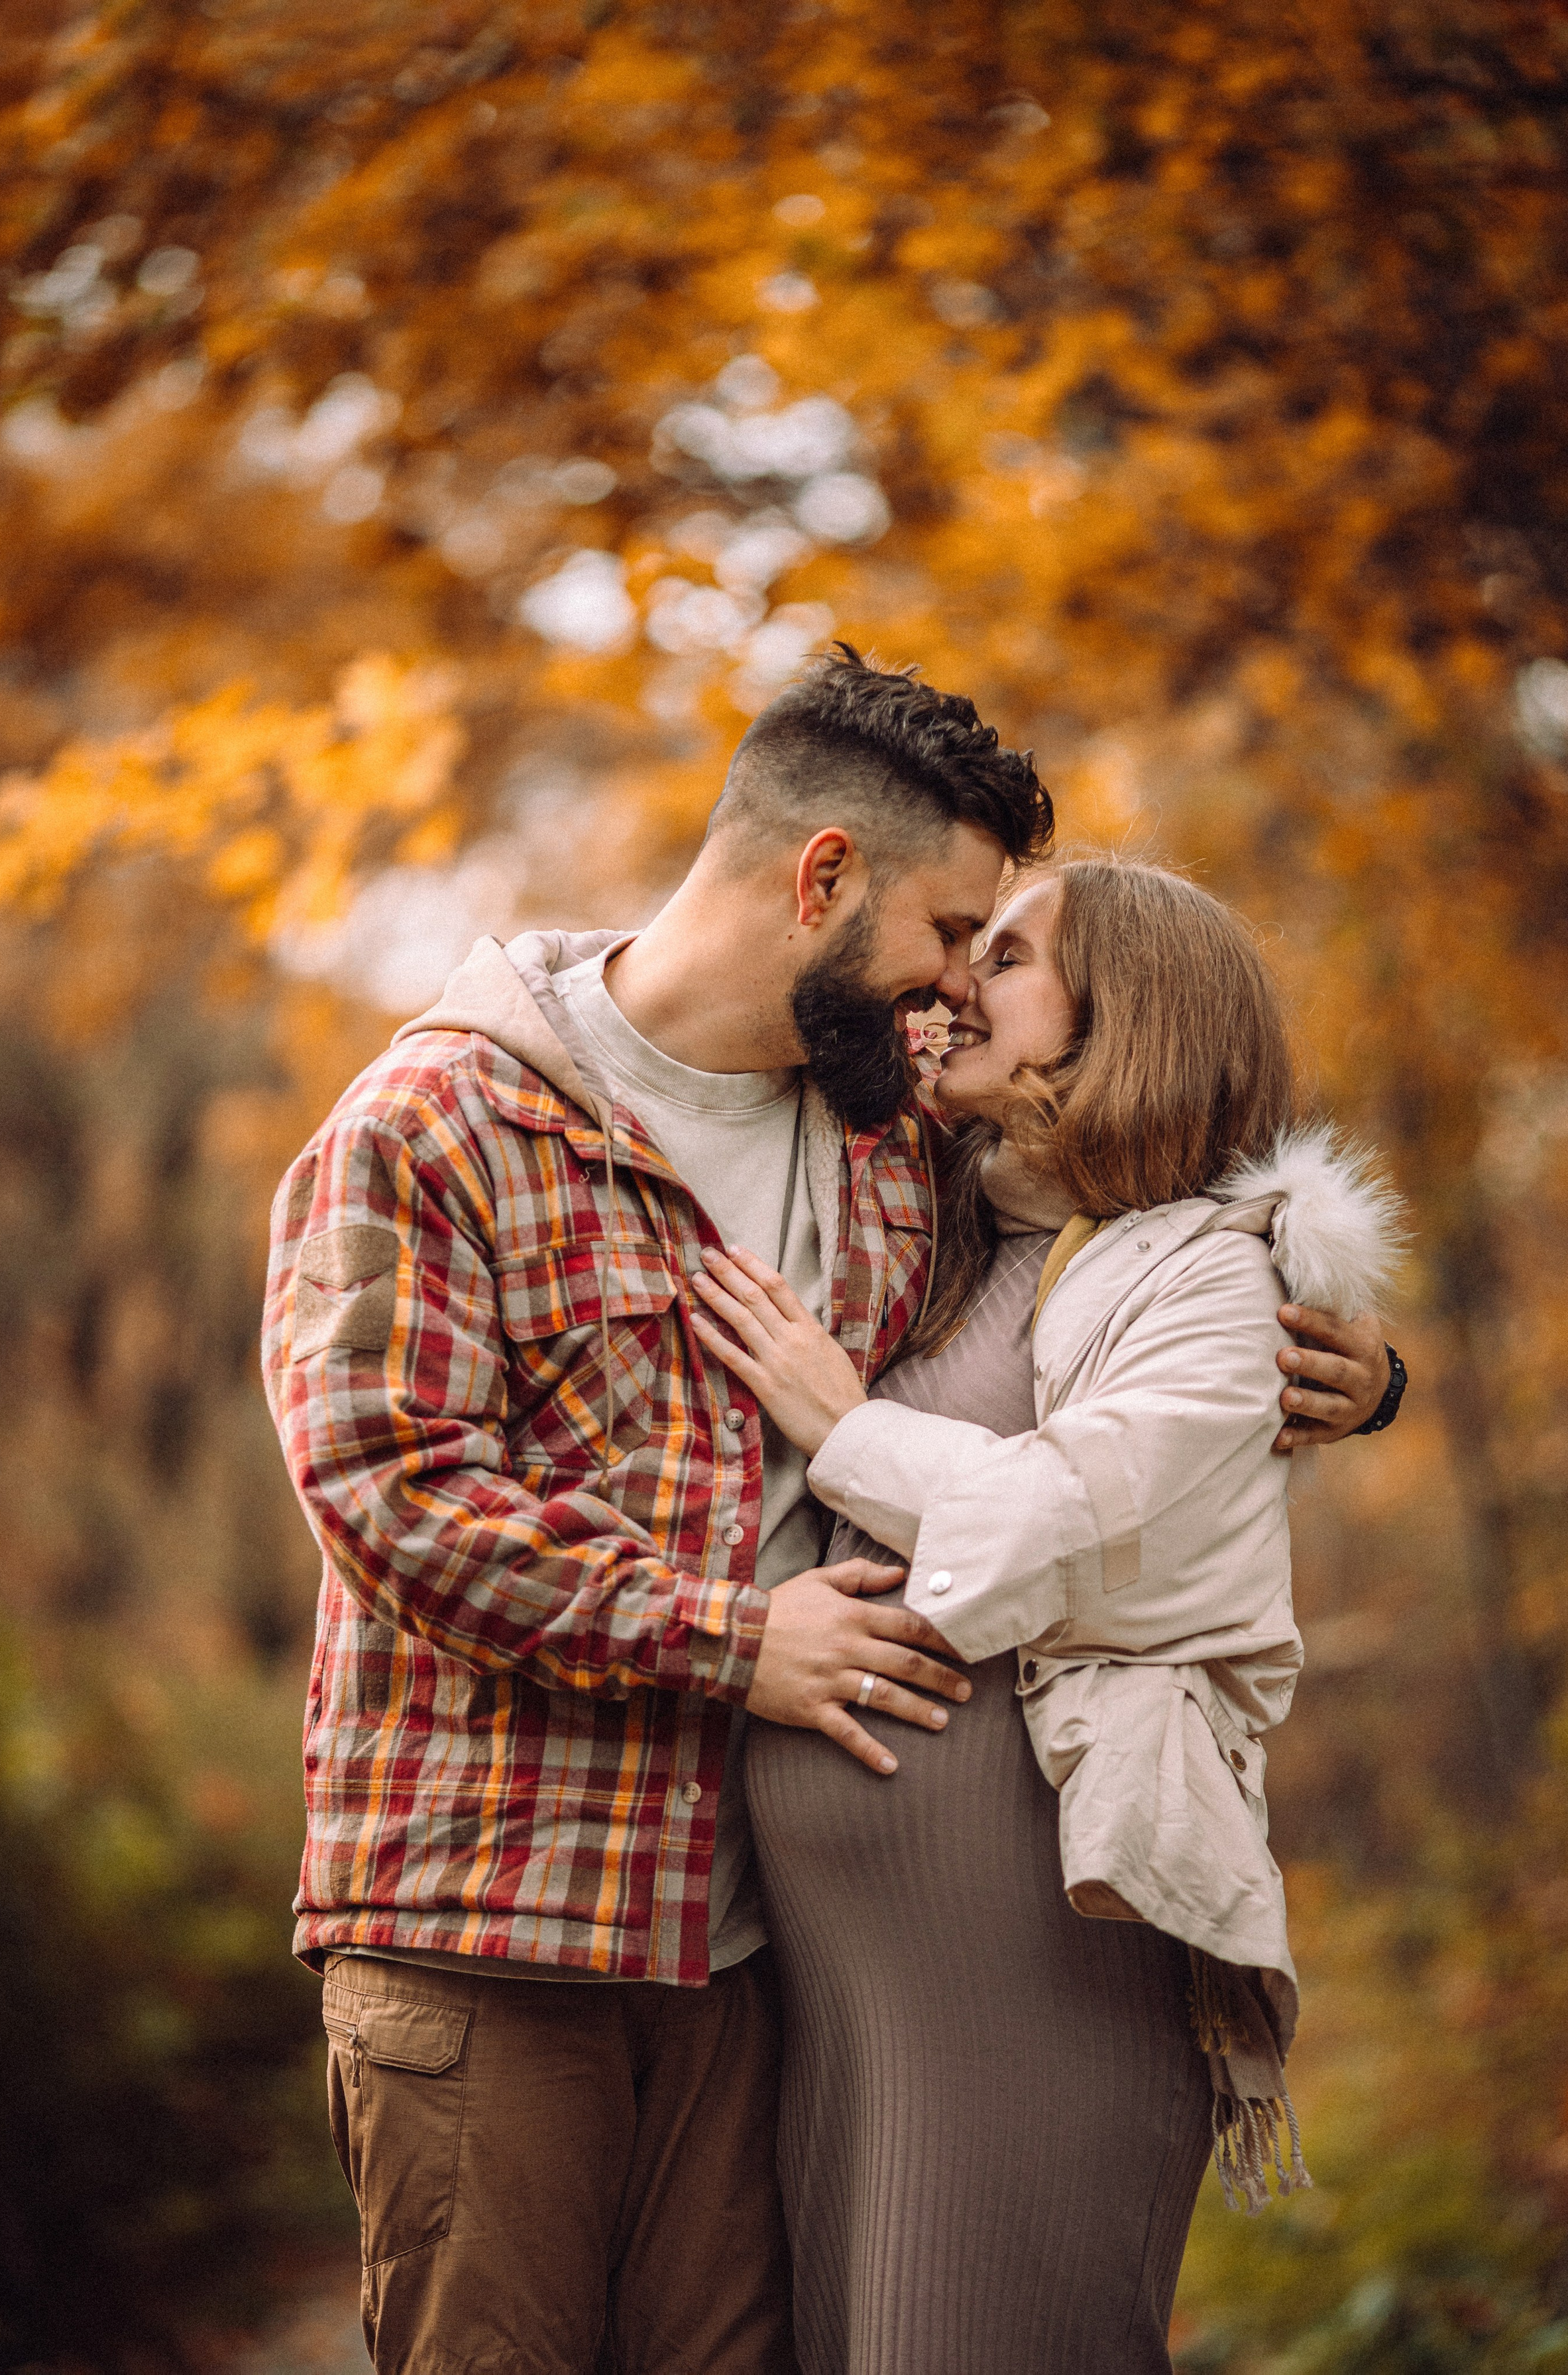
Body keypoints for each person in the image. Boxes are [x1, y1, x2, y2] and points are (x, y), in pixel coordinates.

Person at [262, 653, 1396, 2375]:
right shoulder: (435, 1126)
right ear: (822, 879)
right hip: (495, 1928)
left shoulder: (884, 1139)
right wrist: (737, 1641)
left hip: (741, 1958)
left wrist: (1355, 1361)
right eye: (948, 933)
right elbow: (389, 1491)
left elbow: (1138, 1228)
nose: (953, 988)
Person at [687, 855, 1407, 2375]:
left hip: (1040, 1948)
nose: (957, 983)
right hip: (853, 1983)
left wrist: (842, 1423)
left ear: (1122, 1012)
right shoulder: (946, 1228)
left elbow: (1058, 1515)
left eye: (1005, 958)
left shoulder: (1209, 1277)